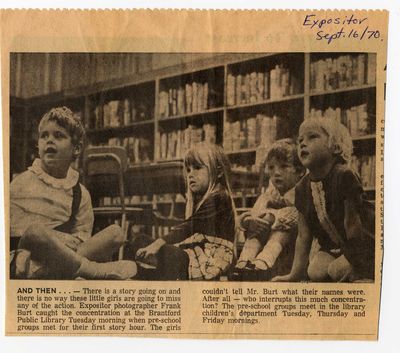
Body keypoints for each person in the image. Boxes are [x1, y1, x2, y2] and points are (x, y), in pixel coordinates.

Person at [10, 107, 137, 280]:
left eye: (59, 135)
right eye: (44, 136)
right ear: (38, 145)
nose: (49, 141)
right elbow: (15, 234)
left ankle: (56, 272)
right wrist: (56, 237)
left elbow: (80, 240)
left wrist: (66, 245)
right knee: (35, 231)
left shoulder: (80, 193)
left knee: (116, 233)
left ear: (76, 149)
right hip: (26, 251)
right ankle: (93, 270)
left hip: (64, 257)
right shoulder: (21, 183)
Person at [273, 118, 374, 283]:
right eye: (300, 140)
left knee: (336, 270)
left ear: (335, 146)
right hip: (334, 247)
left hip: (364, 244)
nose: (303, 144)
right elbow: (303, 236)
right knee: (315, 271)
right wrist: (294, 275)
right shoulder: (301, 188)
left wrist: (355, 261)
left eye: (312, 137)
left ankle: (365, 273)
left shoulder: (344, 175)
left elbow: (353, 226)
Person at [132, 142, 236, 280]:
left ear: (219, 172)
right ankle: (153, 270)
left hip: (211, 257)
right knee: (140, 240)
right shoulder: (202, 197)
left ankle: (152, 271)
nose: (190, 175)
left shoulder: (220, 197)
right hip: (196, 250)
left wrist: (157, 245)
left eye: (197, 168)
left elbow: (188, 227)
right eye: (188, 170)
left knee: (167, 254)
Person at [231, 139, 305, 281]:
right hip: (268, 234)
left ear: (300, 171)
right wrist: (249, 220)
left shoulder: (302, 192)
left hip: (293, 242)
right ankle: (245, 261)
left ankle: (264, 262)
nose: (276, 173)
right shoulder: (271, 193)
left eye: (284, 167)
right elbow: (257, 210)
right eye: (271, 167)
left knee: (281, 228)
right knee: (258, 224)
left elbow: (297, 216)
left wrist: (272, 217)